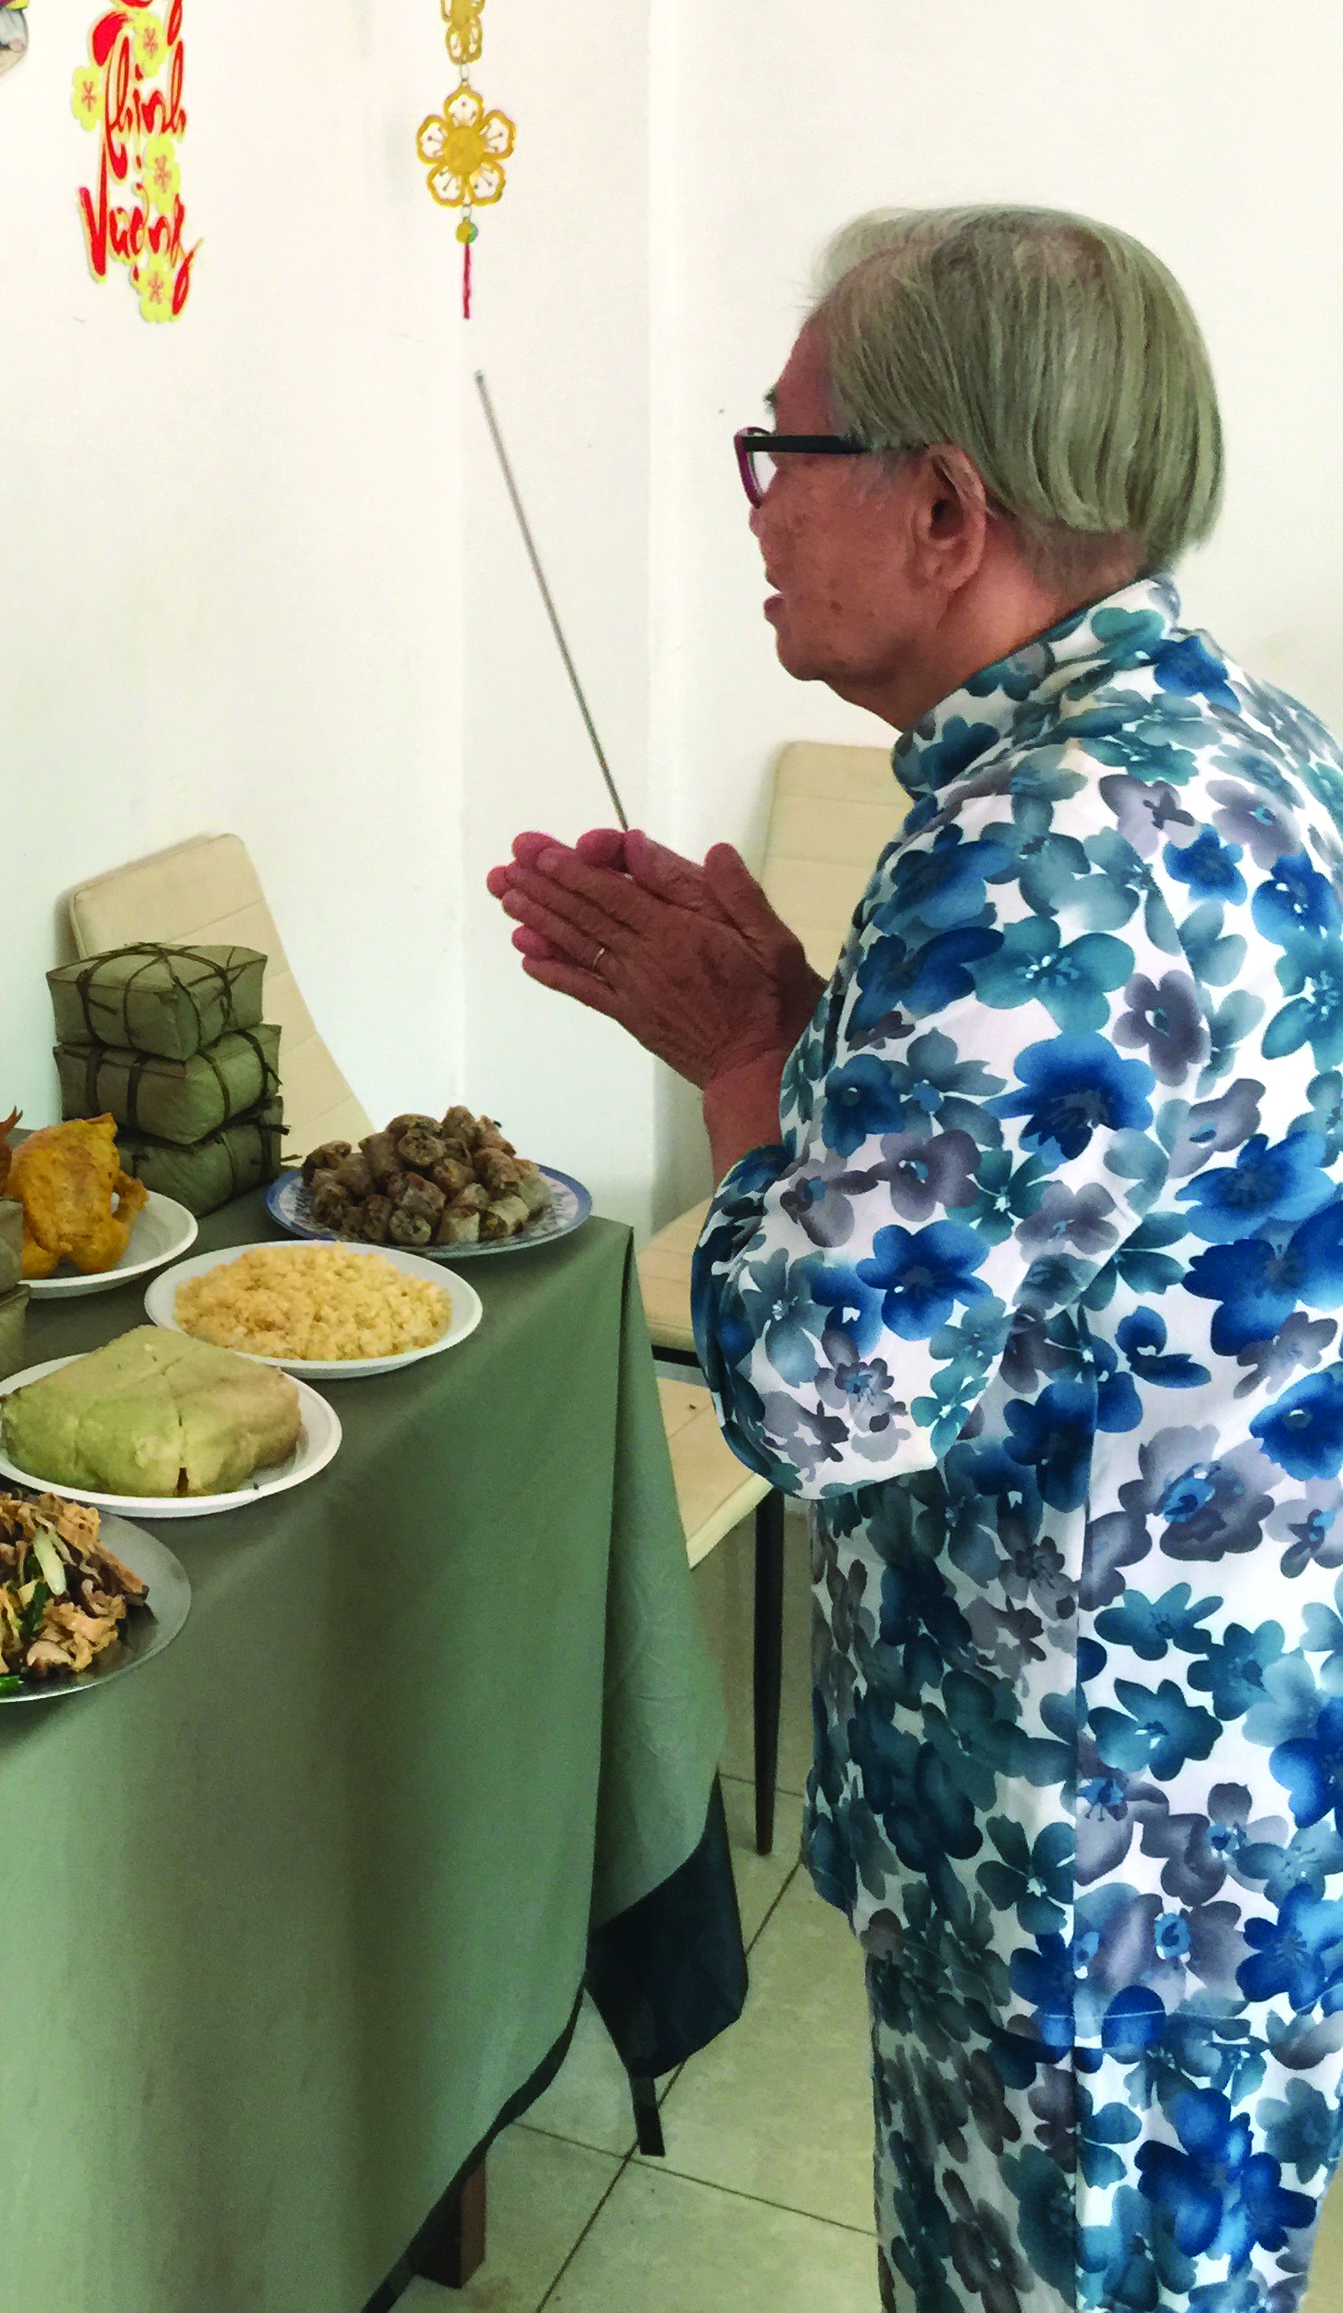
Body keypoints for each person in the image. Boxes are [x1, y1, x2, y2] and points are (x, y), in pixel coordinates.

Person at [488, 207, 1343, 2313]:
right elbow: (1038, 1210)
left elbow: (819, 1385)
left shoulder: (1044, 854)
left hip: (1101, 1856)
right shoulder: (1225, 748)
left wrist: (744, 1055)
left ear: (945, 506)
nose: (758, 510)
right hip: (1217, 1771)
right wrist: (807, 1020)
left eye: (784, 454)